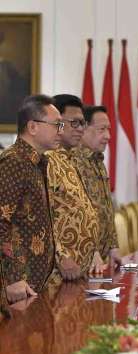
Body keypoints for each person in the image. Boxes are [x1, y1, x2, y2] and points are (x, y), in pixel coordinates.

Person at [0, 94, 62, 304]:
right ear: (33, 127)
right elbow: (2, 221)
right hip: (18, 284)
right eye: (56, 125)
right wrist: (13, 278)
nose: (60, 131)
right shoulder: (13, 162)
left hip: (36, 281)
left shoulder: (37, 163)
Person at [46, 94, 102, 280]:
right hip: (57, 271)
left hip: (78, 271)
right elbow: (42, 216)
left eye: (83, 123)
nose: (81, 129)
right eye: (75, 123)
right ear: (57, 123)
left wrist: (93, 250)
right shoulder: (47, 160)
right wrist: (61, 256)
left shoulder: (69, 159)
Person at [74, 105, 120, 268]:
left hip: (102, 258)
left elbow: (107, 207)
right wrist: (91, 251)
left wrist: (113, 246)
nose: (108, 136)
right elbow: (76, 213)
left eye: (108, 129)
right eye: (102, 129)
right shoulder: (73, 162)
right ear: (84, 128)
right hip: (82, 258)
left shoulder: (98, 160)